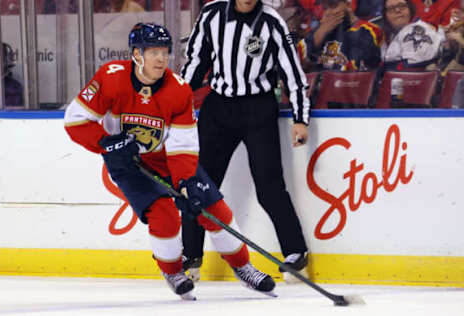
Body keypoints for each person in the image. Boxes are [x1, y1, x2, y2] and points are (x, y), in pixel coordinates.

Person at [63, 22, 275, 300]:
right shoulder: (111, 77)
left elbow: (182, 146)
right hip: (128, 164)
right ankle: (174, 271)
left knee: (215, 210)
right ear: (137, 55)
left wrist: (186, 182)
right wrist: (106, 142)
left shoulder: (179, 90)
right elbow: (75, 120)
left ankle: (243, 267)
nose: (162, 59)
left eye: (164, 52)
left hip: (166, 159)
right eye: (153, 52)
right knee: (163, 215)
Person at [181, 0, 311, 284]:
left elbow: (294, 76)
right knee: (198, 185)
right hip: (218, 110)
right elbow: (196, 62)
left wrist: (300, 118)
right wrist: (172, 103)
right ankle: (189, 256)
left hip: (258, 110)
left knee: (269, 185)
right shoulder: (212, 13)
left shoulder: (272, 22)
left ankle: (295, 253)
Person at [303, 0, 383, 72]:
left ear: (348, 5)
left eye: (333, 6)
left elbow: (356, 68)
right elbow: (298, 63)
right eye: (325, 8)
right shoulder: (320, 30)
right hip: (320, 86)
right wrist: (318, 36)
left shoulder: (368, 30)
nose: (328, 13)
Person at [381, 0, 445, 70]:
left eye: (402, 6)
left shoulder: (418, 29)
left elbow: (413, 68)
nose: (397, 10)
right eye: (391, 8)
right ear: (385, 15)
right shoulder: (388, 35)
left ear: (410, 9)